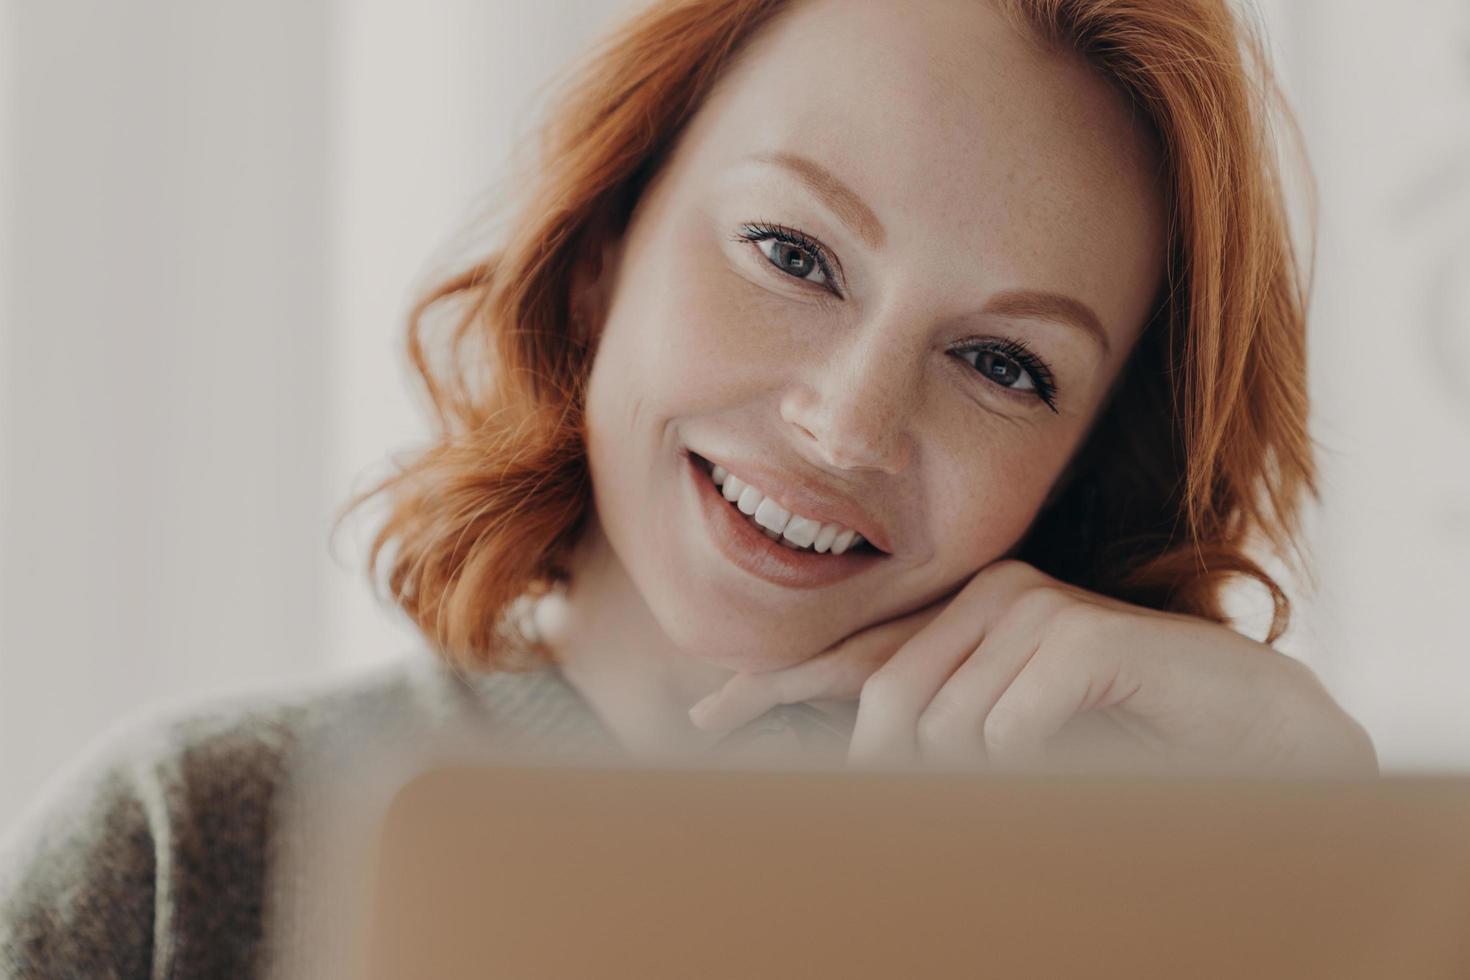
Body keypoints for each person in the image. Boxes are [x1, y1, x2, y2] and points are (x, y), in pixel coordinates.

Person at [1, 0, 1378, 975]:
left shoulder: (1148, 921)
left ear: (1082, 468)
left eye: (1002, 366)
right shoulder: (185, 856)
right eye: (791, 252)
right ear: (603, 246)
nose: (844, 426)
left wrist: (1320, 852)